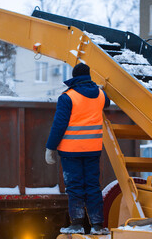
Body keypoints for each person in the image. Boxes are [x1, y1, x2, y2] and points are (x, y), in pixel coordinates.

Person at [45, 63, 110, 235]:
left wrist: (50, 147)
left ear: (74, 77)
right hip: (93, 150)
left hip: (71, 151)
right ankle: (97, 225)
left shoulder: (67, 97)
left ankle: (77, 224)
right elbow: (107, 102)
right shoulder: (100, 95)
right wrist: (99, 89)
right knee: (93, 186)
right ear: (88, 76)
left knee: (75, 187)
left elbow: (59, 125)